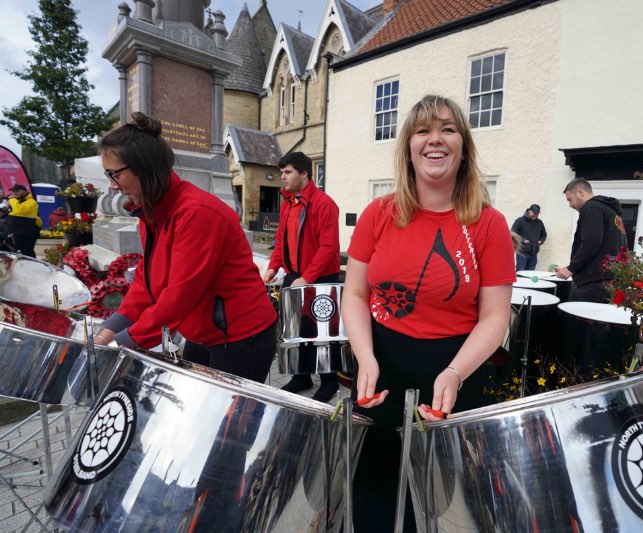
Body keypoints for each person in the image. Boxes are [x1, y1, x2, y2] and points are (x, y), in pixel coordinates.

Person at [342, 94, 516, 531]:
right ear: (408, 147)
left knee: (445, 501)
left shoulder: (489, 224)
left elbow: (495, 317)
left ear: (464, 149)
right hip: (380, 362)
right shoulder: (378, 214)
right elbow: (356, 294)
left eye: (447, 129)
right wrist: (365, 357)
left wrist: (455, 373)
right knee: (374, 492)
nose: (434, 139)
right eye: (423, 130)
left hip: (456, 369)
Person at [92, 112, 277, 383]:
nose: (112, 186)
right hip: (203, 331)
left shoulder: (196, 213)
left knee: (230, 424)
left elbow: (180, 294)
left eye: (113, 174)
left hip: (240, 336)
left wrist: (123, 343)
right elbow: (148, 280)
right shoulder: (153, 211)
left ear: (144, 167)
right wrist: (110, 329)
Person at [262, 151, 341, 402]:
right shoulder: (288, 203)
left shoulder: (324, 204)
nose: (282, 177)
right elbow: (280, 240)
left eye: (288, 172)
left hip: (319, 278)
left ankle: (330, 381)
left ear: (304, 173)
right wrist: (274, 267)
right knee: (295, 329)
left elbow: (329, 247)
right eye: (282, 172)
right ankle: (301, 376)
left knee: (323, 333)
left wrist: (307, 278)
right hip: (295, 276)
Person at [555, 178, 626, 303]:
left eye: (569, 199)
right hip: (611, 280)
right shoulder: (612, 212)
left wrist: (571, 268)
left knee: (583, 321)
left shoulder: (591, 207)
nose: (570, 205)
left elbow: (591, 242)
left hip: (594, 283)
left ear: (581, 193)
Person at [5, 184, 42, 257]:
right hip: (17, 231)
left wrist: (12, 200)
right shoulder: (18, 202)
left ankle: (32, 265)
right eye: (13, 191)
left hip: (26, 232)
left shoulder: (31, 202)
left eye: (17, 191)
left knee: (27, 251)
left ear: (24, 192)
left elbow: (20, 210)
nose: (14, 193)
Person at [510, 203, 547, 271]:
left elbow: (544, 235)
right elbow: (512, 233)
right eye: (534, 213)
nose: (535, 215)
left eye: (537, 213)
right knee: (521, 273)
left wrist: (541, 241)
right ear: (529, 211)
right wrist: (523, 240)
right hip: (522, 254)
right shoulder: (520, 221)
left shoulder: (540, 223)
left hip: (534, 254)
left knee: (530, 275)